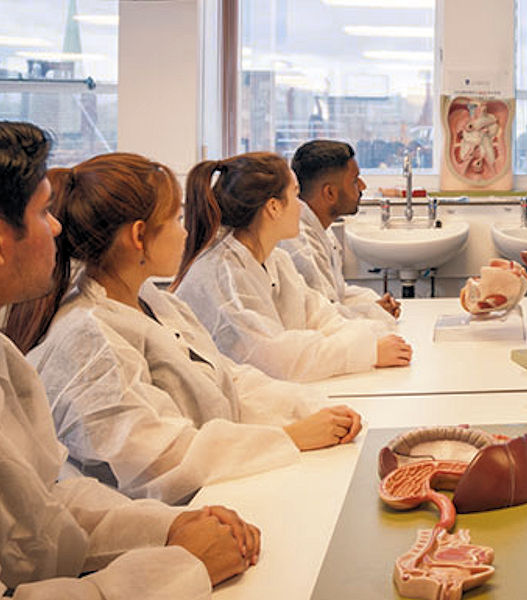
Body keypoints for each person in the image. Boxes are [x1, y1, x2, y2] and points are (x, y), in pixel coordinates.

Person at [6, 152, 362, 505]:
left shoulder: (154, 301)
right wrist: (289, 436)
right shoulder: (87, 340)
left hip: (218, 490)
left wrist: (309, 407)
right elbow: (160, 460)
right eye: (176, 218)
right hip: (162, 523)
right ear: (139, 236)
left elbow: (227, 379)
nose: (187, 230)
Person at [0, 121, 258, 598]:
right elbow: (150, 457)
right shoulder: (84, 334)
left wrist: (169, 529)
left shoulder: (7, 360)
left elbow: (46, 504)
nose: (56, 225)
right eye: (41, 213)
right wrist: (177, 567)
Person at [173, 152, 412, 382]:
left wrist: (372, 338)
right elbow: (275, 358)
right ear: (274, 207)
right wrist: (366, 352)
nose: (301, 207)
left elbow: (319, 315)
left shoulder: (276, 259)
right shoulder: (224, 275)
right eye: (295, 195)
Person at [280, 140, 400, 325]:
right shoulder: (299, 243)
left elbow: (337, 293)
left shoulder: (321, 229)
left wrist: (373, 304)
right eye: (354, 181)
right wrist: (373, 312)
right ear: (330, 193)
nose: (362, 186)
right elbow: (322, 319)